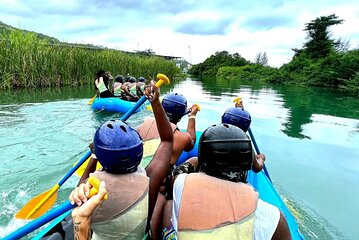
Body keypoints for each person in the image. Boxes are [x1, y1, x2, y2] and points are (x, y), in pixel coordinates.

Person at [70, 80, 174, 239]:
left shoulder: (89, 190)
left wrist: (93, 156)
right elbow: (167, 140)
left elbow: (81, 190)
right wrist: (156, 103)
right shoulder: (150, 180)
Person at [162, 123, 291, 240]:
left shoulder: (181, 183)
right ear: (247, 163)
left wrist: (194, 162)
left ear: (202, 161)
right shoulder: (273, 217)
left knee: (169, 204)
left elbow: (175, 176)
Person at [136, 92, 199, 239]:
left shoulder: (142, 125)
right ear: (180, 115)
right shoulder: (182, 137)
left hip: (138, 176)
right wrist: (192, 116)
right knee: (195, 160)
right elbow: (191, 142)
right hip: (160, 187)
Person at [222, 106, 266, 173]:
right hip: (235, 181)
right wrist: (261, 159)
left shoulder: (210, 137)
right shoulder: (245, 145)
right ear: (246, 127)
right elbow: (257, 168)